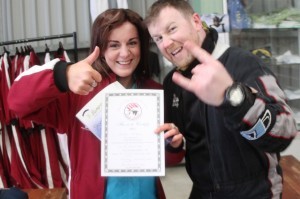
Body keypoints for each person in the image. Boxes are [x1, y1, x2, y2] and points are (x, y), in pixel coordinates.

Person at [7, 8, 185, 199]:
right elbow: (17, 103)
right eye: (114, 45)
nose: (125, 53)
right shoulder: (78, 93)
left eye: (132, 43)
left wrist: (172, 146)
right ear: (100, 48)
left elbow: (166, 159)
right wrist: (62, 75)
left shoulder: (155, 92)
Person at [148, 0, 297, 198]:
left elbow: (285, 131)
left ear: (196, 21)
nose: (166, 43)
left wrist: (233, 96)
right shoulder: (173, 82)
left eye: (172, 29)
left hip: (255, 193)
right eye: (158, 38)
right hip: (202, 192)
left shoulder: (244, 63)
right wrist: (173, 144)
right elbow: (182, 146)